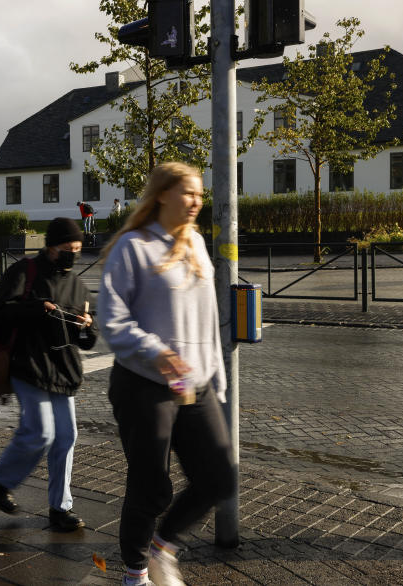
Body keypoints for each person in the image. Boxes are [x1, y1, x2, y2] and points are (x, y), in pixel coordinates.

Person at [96, 162, 234, 586]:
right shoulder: (133, 247)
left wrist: (217, 377)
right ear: (161, 195)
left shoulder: (195, 242)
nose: (196, 201)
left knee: (218, 477)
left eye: (199, 194)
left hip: (196, 383)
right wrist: (156, 351)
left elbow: (208, 318)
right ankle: (136, 575)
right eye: (188, 192)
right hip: (144, 383)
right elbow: (112, 320)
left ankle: (162, 548)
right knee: (151, 487)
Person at [0, 217, 99, 532]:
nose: (72, 255)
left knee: (66, 436)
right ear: (50, 246)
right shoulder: (24, 272)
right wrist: (37, 309)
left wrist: (88, 326)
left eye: (77, 249)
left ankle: (61, 508)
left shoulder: (77, 284)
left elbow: (90, 336)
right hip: (28, 366)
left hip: (64, 371)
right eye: (66, 248)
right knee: (41, 432)